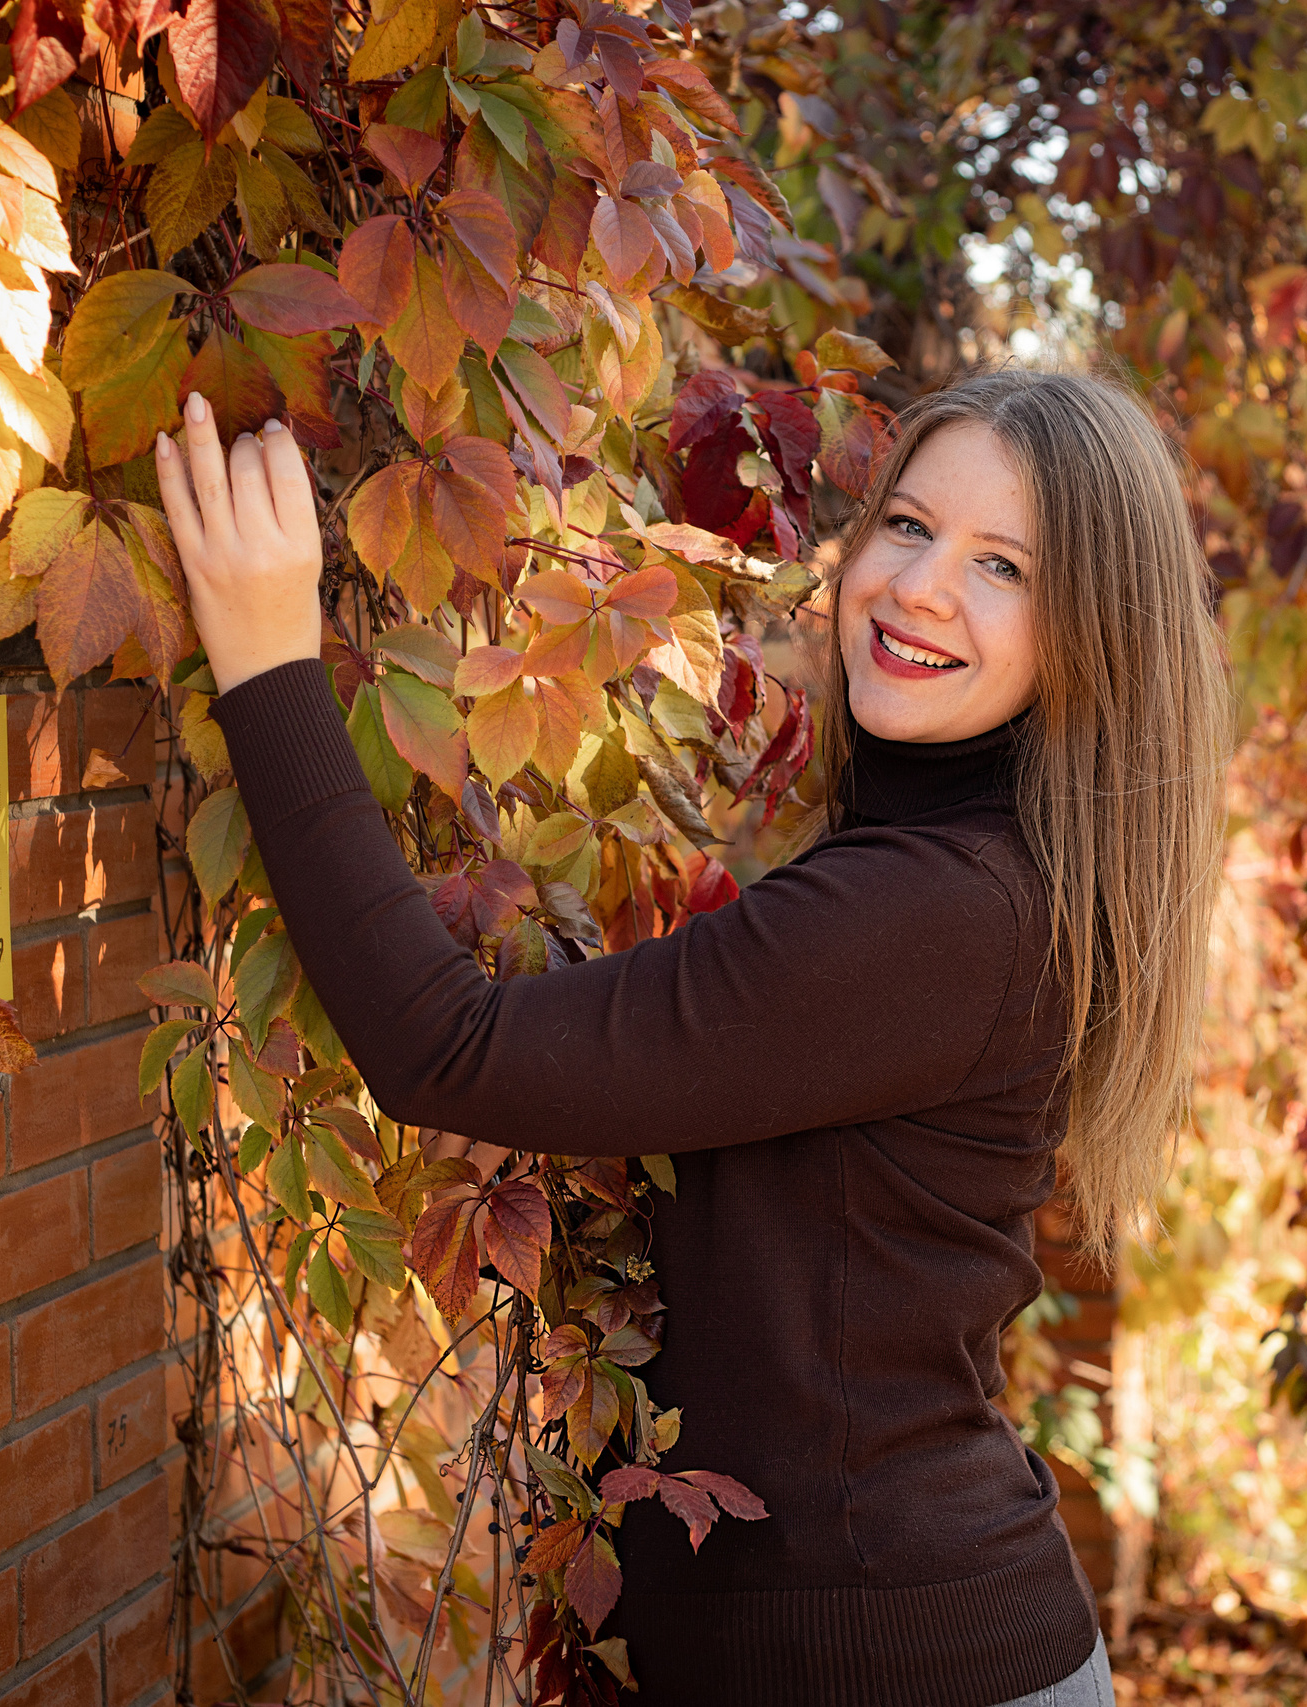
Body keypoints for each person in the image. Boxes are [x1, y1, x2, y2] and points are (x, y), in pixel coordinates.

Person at [161, 365, 1234, 1707]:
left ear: (1094, 631)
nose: (920, 588)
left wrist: (266, 663)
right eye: (907, 527)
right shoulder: (970, 869)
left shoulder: (935, 911)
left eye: (1004, 566)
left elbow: (449, 1050)